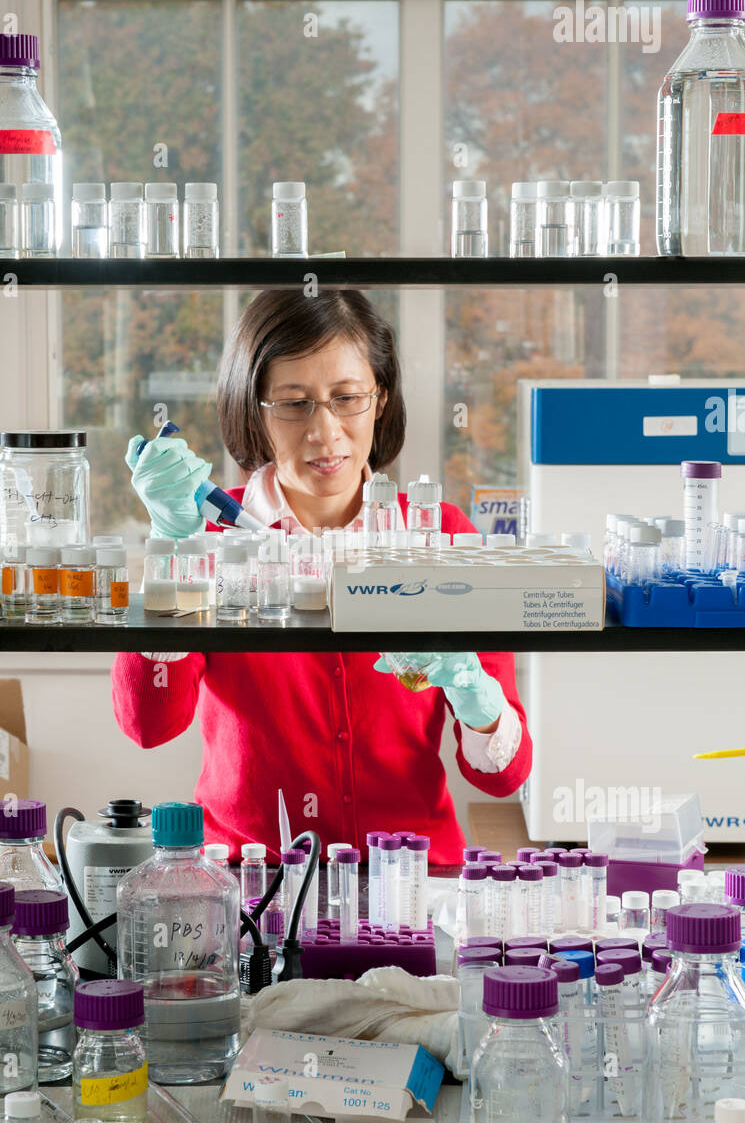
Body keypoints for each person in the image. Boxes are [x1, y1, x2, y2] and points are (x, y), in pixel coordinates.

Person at [112, 289, 531, 863]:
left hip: (410, 879)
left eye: (347, 398)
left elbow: (504, 778)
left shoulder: (441, 534)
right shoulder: (207, 537)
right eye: (294, 403)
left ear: (381, 400)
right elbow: (147, 726)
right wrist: (170, 552)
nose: (325, 431)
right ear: (254, 410)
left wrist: (473, 692)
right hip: (254, 879)